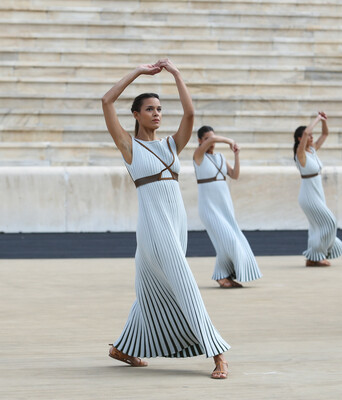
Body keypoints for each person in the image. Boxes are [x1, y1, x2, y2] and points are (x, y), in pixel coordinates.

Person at [101, 59, 230, 379]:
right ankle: (218, 354)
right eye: (149, 109)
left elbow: (189, 115)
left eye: (159, 108)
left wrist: (176, 74)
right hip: (153, 227)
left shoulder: (172, 144)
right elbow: (106, 101)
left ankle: (124, 347)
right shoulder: (128, 146)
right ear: (136, 115)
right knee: (184, 284)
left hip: (176, 225)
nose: (156, 113)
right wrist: (138, 72)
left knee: (152, 288)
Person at [193, 126, 262, 288]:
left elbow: (235, 175)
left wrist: (236, 155)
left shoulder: (221, 157)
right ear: (200, 141)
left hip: (224, 206)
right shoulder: (198, 157)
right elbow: (211, 140)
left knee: (230, 240)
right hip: (209, 208)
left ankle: (223, 276)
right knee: (229, 241)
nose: (211, 142)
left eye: (212, 139)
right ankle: (223, 275)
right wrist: (229, 140)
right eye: (207, 139)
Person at [293, 112, 342, 267]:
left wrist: (323, 121)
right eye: (308, 137)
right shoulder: (300, 153)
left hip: (317, 191)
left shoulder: (313, 150)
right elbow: (307, 132)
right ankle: (318, 254)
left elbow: (325, 133)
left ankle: (313, 258)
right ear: (300, 139)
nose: (311, 138)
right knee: (330, 222)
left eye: (311, 137)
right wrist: (316, 118)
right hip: (308, 194)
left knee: (316, 227)